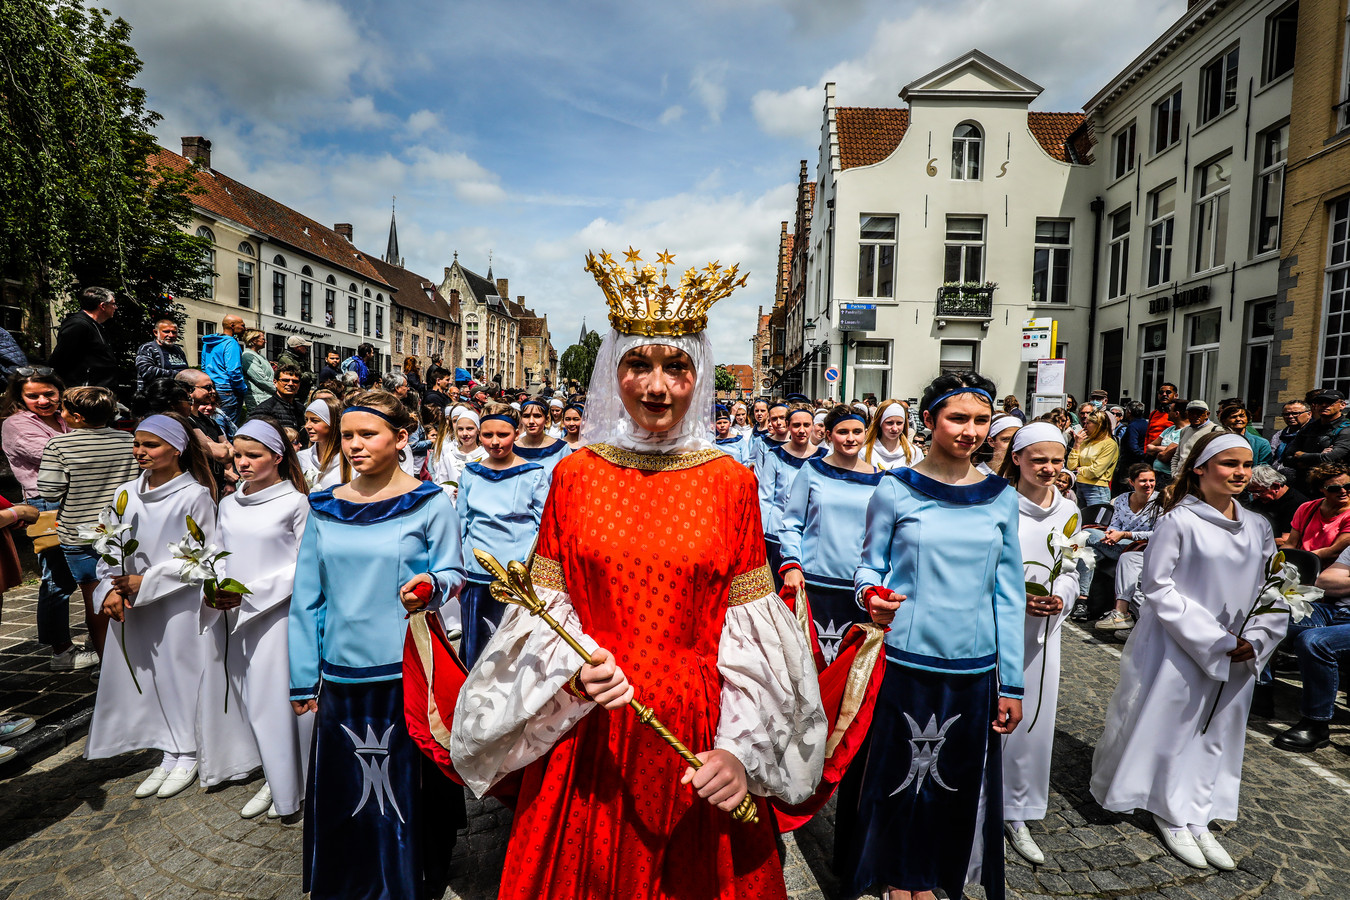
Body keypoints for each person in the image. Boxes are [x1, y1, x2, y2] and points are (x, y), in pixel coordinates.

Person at [448, 274, 825, 899]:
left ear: (698, 374)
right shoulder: (574, 476)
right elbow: (547, 609)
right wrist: (573, 669)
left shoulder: (731, 482)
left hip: (698, 726)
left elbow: (749, 627)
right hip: (594, 723)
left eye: (675, 367)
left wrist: (738, 749)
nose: (656, 386)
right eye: (638, 365)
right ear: (612, 373)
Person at [849, 371, 1023, 900]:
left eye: (980, 420)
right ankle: (894, 873)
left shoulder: (1000, 498)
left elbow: (1008, 594)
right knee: (900, 776)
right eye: (958, 418)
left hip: (972, 667)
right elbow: (867, 567)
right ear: (929, 421)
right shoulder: (896, 488)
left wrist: (1011, 684)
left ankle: (932, 874)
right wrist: (870, 598)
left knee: (952, 780)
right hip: (906, 659)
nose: (970, 430)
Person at [289, 390, 466, 900]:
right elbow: (307, 597)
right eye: (347, 436)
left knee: (405, 791)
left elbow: (454, 571)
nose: (354, 445)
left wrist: (432, 584)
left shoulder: (429, 502)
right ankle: (348, 879)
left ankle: (413, 876)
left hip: (407, 668)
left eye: (368, 434)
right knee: (349, 792)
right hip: (343, 673)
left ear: (401, 438)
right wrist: (304, 674)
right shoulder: (323, 507)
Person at [1091, 433, 1282, 871]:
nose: (1240, 473)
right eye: (1229, 464)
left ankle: (1200, 809)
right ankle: (1168, 808)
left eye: (1247, 465)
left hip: (1240, 647)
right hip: (1180, 643)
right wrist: (1214, 638)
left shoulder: (1258, 525)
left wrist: (1258, 636)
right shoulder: (1179, 521)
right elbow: (1157, 586)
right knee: (1173, 723)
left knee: (1218, 730)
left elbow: (1275, 587)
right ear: (1200, 468)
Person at [86, 413, 218, 800]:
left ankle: (190, 750)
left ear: (176, 448)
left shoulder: (194, 495)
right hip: (130, 601)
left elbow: (203, 556)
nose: (140, 451)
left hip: (175, 603)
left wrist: (149, 580)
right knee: (146, 674)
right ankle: (167, 749)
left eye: (151, 444)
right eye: (137, 443)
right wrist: (109, 589)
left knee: (178, 673)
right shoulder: (125, 492)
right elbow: (108, 542)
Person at [197, 418, 313, 819]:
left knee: (274, 699)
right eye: (238, 456)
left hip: (278, 614)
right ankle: (270, 769)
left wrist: (252, 593)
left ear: (277, 457)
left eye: (253, 456)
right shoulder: (228, 503)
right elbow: (215, 551)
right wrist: (214, 588)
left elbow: (306, 564)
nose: (242, 463)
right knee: (245, 695)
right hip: (231, 612)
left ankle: (288, 784)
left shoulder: (295, 502)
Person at [999, 421, 1079, 867]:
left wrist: (1062, 596)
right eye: (1038, 460)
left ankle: (1018, 809)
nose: (1048, 468)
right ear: (1017, 460)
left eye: (1056, 460)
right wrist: (1020, 599)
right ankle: (978, 801)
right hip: (1002, 625)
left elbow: (1069, 566)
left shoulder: (1068, 508)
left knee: (1034, 718)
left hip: (1045, 632)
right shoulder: (998, 502)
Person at [0, 369, 94, 669]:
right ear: (19, 397)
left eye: (49, 394)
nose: (43, 401)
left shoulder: (66, 417)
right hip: (47, 503)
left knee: (92, 572)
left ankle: (97, 639)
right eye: (33, 395)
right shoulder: (16, 424)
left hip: (81, 498)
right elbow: (53, 455)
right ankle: (61, 653)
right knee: (57, 578)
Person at [37, 387, 138, 659]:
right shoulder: (128, 440)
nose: (61, 413)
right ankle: (133, 657)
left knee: (96, 599)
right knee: (127, 591)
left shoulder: (59, 445)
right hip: (124, 529)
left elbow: (49, 492)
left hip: (80, 533)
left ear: (78, 417)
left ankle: (107, 664)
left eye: (65, 409)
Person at [778, 404, 881, 666]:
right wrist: (792, 564)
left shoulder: (881, 479)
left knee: (850, 673)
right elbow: (791, 523)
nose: (850, 438)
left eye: (857, 431)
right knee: (806, 667)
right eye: (843, 431)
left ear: (866, 433)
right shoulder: (812, 471)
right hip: (814, 584)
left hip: (859, 588)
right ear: (829, 435)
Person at [455, 404, 548, 666]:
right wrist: (457, 567)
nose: (495, 442)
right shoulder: (472, 473)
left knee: (513, 650)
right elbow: (461, 521)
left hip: (516, 575)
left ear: (516, 433)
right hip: (476, 573)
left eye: (503, 435)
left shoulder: (532, 474)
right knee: (477, 645)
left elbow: (543, 527)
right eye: (487, 435)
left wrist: (533, 571)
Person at [1273, 552, 1350, 750]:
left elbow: (1337, 582)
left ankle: (1316, 724)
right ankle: (1260, 691)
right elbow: (1324, 581)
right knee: (1272, 613)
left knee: (1315, 642)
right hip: (1335, 611)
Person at [1083, 464, 1159, 630]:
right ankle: (1082, 600)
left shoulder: (1160, 502)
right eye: (1143, 481)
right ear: (1132, 482)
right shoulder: (1123, 499)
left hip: (1141, 549)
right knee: (1089, 548)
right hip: (1118, 544)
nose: (1148, 484)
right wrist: (1111, 535)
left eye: (1151, 480)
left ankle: (1086, 601)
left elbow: (1159, 533)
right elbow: (1115, 524)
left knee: (1087, 535)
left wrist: (1125, 535)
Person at [758, 406, 824, 590]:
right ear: (788, 426)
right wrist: (761, 535)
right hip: (777, 534)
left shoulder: (823, 458)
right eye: (796, 425)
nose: (801, 430)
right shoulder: (776, 456)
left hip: (811, 534)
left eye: (806, 425)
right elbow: (765, 497)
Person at [49, 286, 120, 390]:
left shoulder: (95, 326)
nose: (115, 307)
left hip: (100, 392)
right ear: (103, 306)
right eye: (113, 304)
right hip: (85, 394)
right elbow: (59, 360)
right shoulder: (78, 325)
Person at [1279, 463, 1350, 565]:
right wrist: (1277, 560)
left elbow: (1334, 552)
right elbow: (1291, 544)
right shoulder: (1306, 508)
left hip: (1326, 570)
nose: (1343, 491)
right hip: (1299, 564)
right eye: (1334, 488)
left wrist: (1299, 561)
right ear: (1321, 488)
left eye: (1348, 486)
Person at [175, 369, 234, 489]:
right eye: (207, 387)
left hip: (215, 487)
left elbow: (231, 453)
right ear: (189, 390)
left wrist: (214, 445)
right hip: (193, 489)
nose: (212, 391)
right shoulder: (183, 420)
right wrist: (220, 447)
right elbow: (222, 453)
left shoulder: (209, 420)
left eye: (212, 387)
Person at [1285, 388, 1350, 494]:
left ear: (1342, 405)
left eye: (1330, 402)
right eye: (1320, 402)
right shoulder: (1309, 428)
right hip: (1304, 486)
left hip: (1333, 489)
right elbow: (1287, 458)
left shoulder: (1346, 429)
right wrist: (1317, 458)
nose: (1324, 405)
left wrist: (1301, 456)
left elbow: (1329, 458)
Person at [201, 315, 250, 424]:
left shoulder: (208, 343)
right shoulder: (231, 343)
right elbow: (233, 371)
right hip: (228, 390)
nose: (244, 328)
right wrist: (243, 389)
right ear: (232, 326)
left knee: (213, 423)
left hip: (212, 388)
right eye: (242, 325)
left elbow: (204, 367)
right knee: (228, 425)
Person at [1068, 410, 1119, 508]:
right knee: (1081, 521)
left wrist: (1080, 469)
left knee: (1095, 521)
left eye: (1088, 423)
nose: (1084, 426)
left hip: (1097, 489)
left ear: (1098, 425)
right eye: (1085, 423)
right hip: (1080, 486)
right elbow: (1071, 466)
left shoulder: (1110, 444)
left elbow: (1095, 471)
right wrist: (1077, 444)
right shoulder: (1085, 442)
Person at [511, 399, 571, 481]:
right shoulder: (512, 448)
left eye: (537, 416)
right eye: (526, 416)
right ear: (521, 419)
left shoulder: (561, 449)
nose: (531, 421)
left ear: (546, 419)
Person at [1244, 465, 1307, 542]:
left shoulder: (1297, 505)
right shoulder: (1260, 501)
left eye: (1258, 492)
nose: (1254, 497)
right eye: (1251, 493)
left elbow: (1286, 540)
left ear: (1275, 487)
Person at [430, 407, 486, 492]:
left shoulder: (486, 456)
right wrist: (452, 490)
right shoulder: (449, 457)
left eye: (469, 429)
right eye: (460, 429)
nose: (464, 433)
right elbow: (441, 483)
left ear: (478, 430)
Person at [297, 396, 345, 491]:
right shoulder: (301, 457)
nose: (307, 426)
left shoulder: (348, 462)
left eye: (315, 421)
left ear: (333, 423)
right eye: (306, 420)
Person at [862, 399, 924, 471]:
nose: (895, 428)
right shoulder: (864, 452)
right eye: (889, 423)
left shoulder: (915, 453)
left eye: (899, 423)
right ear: (880, 423)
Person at [248, 364, 307, 434]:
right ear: (275, 382)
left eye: (295, 381)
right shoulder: (264, 410)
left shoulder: (301, 409)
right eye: (285, 380)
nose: (290, 384)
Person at [134, 318, 189, 393]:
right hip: (155, 396)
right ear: (155, 332)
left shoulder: (178, 350)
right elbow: (147, 371)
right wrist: (179, 375)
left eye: (174, 332)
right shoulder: (148, 348)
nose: (171, 335)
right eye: (166, 332)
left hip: (177, 396)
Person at [1171, 401, 1220, 478]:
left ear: (1207, 414)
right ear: (1187, 414)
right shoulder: (1184, 431)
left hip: (1201, 480)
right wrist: (1174, 474)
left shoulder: (1216, 430)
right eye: (1192, 413)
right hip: (1180, 479)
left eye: (1199, 413)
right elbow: (1177, 456)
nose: (1195, 416)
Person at [1146, 399, 1186, 489]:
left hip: (1168, 477)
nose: (1167, 413)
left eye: (1170, 410)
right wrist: (1164, 449)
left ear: (1177, 414)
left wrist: (1156, 449)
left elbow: (1165, 457)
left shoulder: (1185, 432)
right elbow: (1149, 447)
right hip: (1156, 474)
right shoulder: (1170, 429)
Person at [240, 331, 276, 408]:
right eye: (263, 339)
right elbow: (260, 379)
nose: (265, 341)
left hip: (266, 397)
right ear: (253, 340)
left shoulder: (259, 356)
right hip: (258, 399)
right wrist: (278, 389)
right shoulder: (248, 356)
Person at [1271, 399, 1311, 467]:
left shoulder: (1314, 434)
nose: (1290, 417)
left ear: (1309, 414)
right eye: (1286, 414)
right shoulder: (1279, 435)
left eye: (1295, 413)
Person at [1146, 382, 1179, 450]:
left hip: (1167, 452)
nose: (1164, 394)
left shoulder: (1177, 414)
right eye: (1161, 392)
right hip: (1150, 452)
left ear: (1175, 395)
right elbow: (1147, 435)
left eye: (1168, 392)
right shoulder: (1153, 413)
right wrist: (1145, 450)